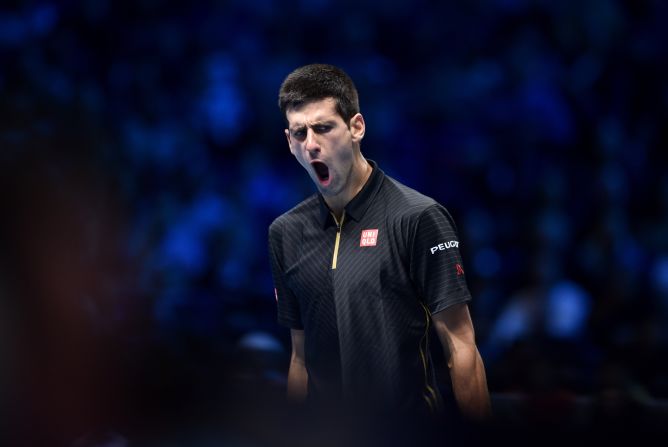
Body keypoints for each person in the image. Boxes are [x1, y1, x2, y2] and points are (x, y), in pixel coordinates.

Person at [268, 64, 491, 438]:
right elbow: (299, 359)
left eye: (323, 127)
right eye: (299, 133)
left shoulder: (418, 217)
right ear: (289, 143)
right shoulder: (284, 233)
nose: (311, 144)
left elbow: (461, 347)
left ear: (356, 127)